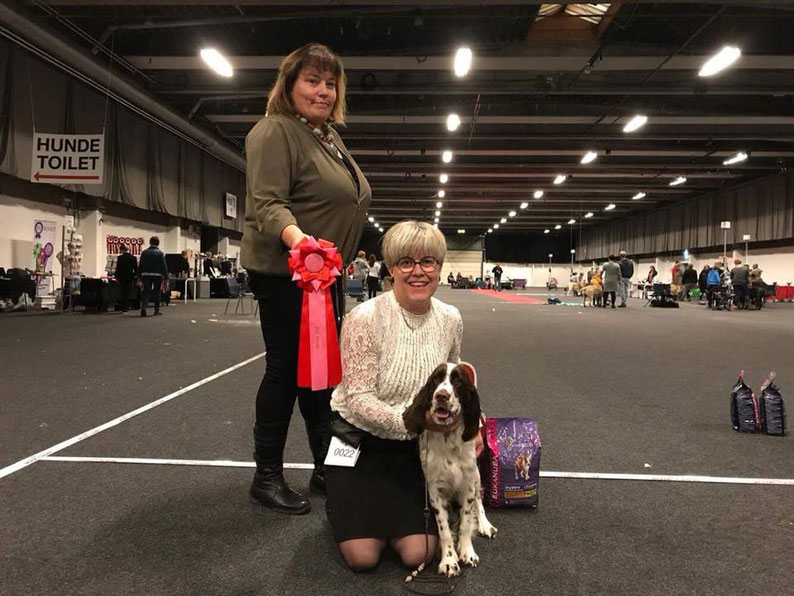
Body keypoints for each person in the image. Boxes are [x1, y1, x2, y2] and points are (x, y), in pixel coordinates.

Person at [240, 43, 371, 515]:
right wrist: (305, 247)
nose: (323, 90)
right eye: (312, 81)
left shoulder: (327, 136)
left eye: (330, 83)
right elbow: (269, 205)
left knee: (322, 378)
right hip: (286, 274)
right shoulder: (275, 131)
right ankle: (266, 477)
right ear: (289, 85)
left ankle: (325, 469)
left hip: (322, 276)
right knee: (285, 373)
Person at [326, 220, 482, 572]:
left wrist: (473, 424)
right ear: (391, 269)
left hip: (419, 446)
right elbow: (358, 399)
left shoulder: (450, 318)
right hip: (360, 443)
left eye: (428, 262)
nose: (418, 272)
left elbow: (453, 378)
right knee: (363, 558)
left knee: (417, 552)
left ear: (439, 269)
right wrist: (412, 421)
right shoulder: (364, 318)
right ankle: (339, 497)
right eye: (406, 262)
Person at [139, 236, 168, 317]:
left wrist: (139, 275)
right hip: (157, 275)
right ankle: (156, 310)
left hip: (145, 274)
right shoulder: (160, 253)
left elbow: (140, 264)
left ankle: (143, 308)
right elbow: (163, 265)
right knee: (157, 292)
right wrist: (166, 276)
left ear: (150, 242)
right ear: (158, 243)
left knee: (146, 292)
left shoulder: (144, 252)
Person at [114, 244, 137, 312]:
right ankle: (126, 306)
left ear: (122, 250)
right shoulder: (133, 258)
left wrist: (117, 277)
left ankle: (123, 306)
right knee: (128, 292)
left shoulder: (120, 258)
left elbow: (117, 269)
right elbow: (135, 269)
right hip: (130, 277)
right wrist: (134, 277)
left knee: (122, 292)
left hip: (121, 277)